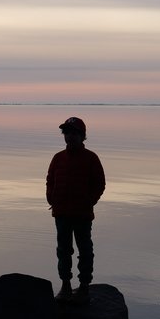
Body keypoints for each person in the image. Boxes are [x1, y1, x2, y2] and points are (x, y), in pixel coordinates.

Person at [46, 116, 105, 303]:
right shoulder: (58, 158)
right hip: (61, 213)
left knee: (85, 249)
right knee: (63, 250)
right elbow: (50, 180)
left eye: (73, 133)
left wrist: (89, 201)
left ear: (82, 136)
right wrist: (51, 199)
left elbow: (99, 184)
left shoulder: (91, 158)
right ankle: (65, 285)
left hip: (82, 214)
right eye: (66, 133)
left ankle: (84, 286)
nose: (69, 137)